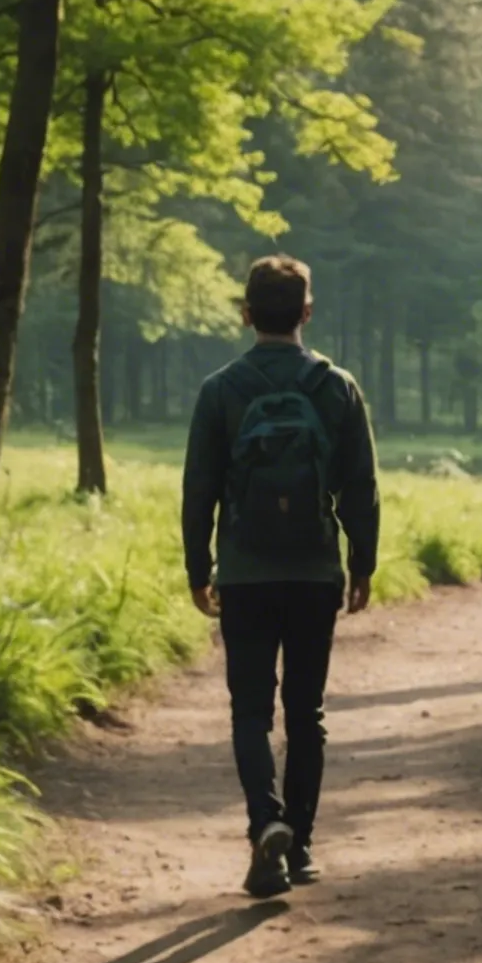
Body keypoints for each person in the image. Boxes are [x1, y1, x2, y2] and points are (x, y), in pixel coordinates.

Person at [182, 254, 379, 899]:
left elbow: (199, 489)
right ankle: (302, 848)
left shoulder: (220, 390)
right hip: (314, 571)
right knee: (306, 713)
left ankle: (265, 821)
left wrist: (198, 569)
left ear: (246, 314)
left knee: (249, 711)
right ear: (306, 312)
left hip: (244, 572)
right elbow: (361, 488)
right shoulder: (337, 386)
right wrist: (361, 564)